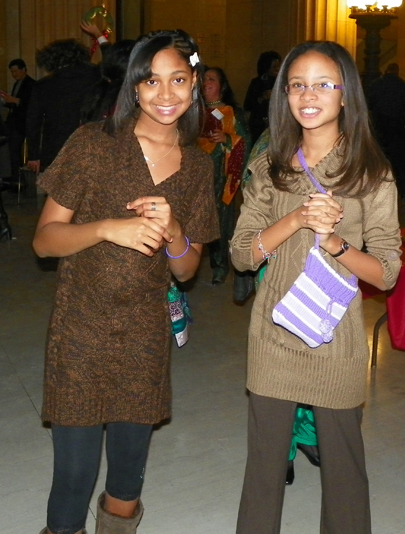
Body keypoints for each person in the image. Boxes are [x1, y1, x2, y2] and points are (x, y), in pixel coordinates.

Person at [32, 29, 219, 534]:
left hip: (144, 336)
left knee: (126, 478)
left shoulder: (199, 167)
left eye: (178, 79)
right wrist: (106, 229)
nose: (165, 94)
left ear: (194, 83)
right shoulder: (94, 144)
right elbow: (45, 241)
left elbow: (186, 269)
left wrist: (176, 230)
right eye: (151, 80)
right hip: (81, 331)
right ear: (133, 87)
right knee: (73, 475)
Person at [231, 41, 402, 534]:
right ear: (284, 95)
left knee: (345, 469)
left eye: (325, 84)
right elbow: (243, 254)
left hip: (337, 341)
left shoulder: (371, 173)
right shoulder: (270, 167)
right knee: (263, 467)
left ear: (347, 95)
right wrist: (297, 220)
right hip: (274, 334)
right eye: (298, 84)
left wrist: (334, 242)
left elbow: (386, 272)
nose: (310, 95)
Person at [198, 67, 250, 285]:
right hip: (197, 173)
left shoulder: (230, 112)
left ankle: (219, 266)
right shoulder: (192, 110)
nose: (206, 82)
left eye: (211, 79)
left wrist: (228, 139)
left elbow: (245, 140)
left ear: (222, 86)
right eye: (203, 79)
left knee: (219, 220)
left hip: (221, 174)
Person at [26, 39, 100, 174]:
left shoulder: (43, 85)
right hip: (93, 144)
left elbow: (33, 122)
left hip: (56, 148)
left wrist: (33, 155)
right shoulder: (96, 77)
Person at [367, 63, 405, 199]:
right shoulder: (402, 85)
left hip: (379, 126)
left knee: (378, 160)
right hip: (397, 127)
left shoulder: (375, 84)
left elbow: (369, 104)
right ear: (397, 71)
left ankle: (374, 190)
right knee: (401, 161)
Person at [1, 59, 36, 184]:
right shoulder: (17, 84)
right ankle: (14, 178)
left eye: (16, 71)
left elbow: (31, 105)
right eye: (12, 72)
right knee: (10, 150)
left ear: (24, 70)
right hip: (13, 122)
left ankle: (18, 180)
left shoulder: (31, 84)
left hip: (22, 124)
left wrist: (15, 101)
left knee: (15, 151)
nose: (14, 74)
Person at [244, 51, 281, 145]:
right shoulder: (257, 82)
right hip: (259, 124)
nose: (277, 69)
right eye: (274, 67)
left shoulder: (282, 83)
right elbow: (247, 105)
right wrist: (262, 98)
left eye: (278, 67)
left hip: (276, 123)